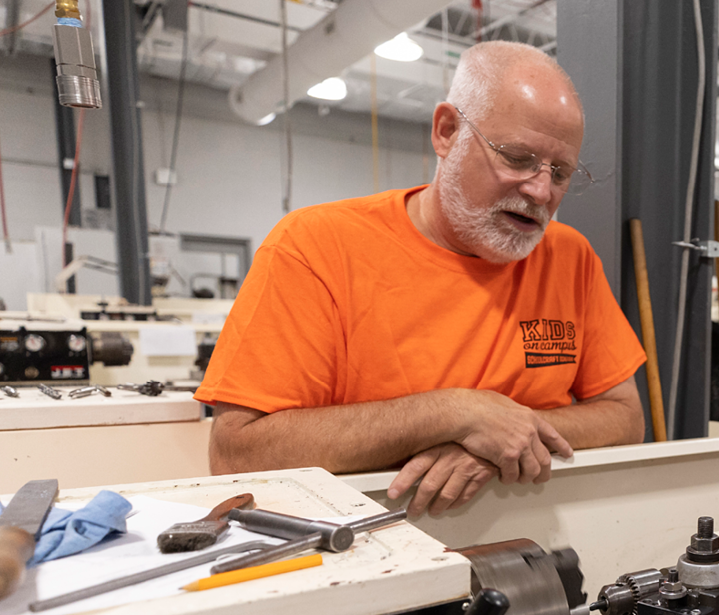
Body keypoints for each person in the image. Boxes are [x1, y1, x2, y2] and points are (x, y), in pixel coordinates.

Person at [197, 41, 647, 516]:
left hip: (531, 536)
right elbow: (236, 453)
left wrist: (502, 436)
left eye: (561, 173)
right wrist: (453, 413)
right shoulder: (314, 246)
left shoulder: (568, 256)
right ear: (447, 131)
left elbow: (625, 418)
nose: (541, 191)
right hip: (357, 543)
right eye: (516, 158)